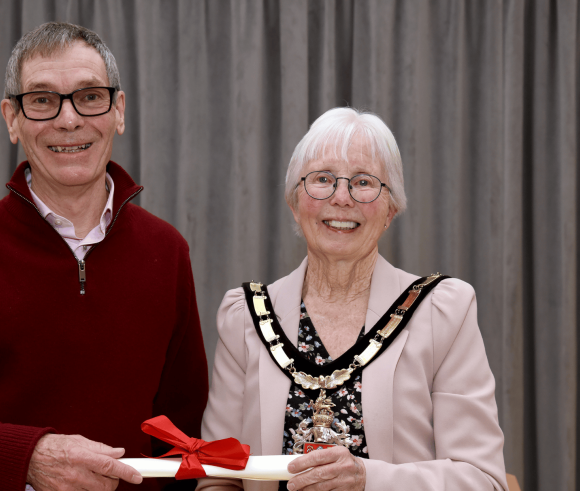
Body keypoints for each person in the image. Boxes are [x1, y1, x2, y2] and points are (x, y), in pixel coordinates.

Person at [0, 21, 209, 491]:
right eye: (43, 100)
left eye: (90, 96)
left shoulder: (166, 251)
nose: (69, 120)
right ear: (12, 118)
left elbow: (181, 432)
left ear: (119, 111)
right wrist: (27, 457)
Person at [198, 108, 508, 491]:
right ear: (294, 202)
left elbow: (483, 480)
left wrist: (367, 479)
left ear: (391, 209)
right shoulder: (245, 315)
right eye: (322, 179)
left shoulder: (442, 310)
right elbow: (217, 476)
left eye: (363, 182)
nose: (341, 198)